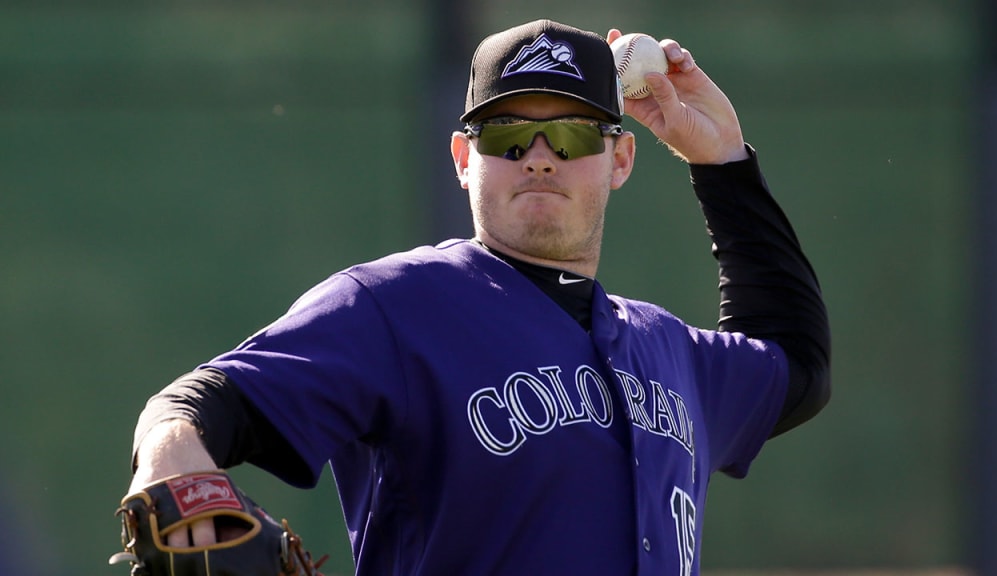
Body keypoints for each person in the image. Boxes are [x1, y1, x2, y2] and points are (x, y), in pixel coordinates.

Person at [125, 19, 830, 576]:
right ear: (465, 160)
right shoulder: (394, 308)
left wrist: (723, 160)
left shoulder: (669, 351)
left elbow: (797, 365)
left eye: (572, 133)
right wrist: (168, 464)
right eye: (508, 134)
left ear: (619, 158)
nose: (540, 156)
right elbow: (200, 402)